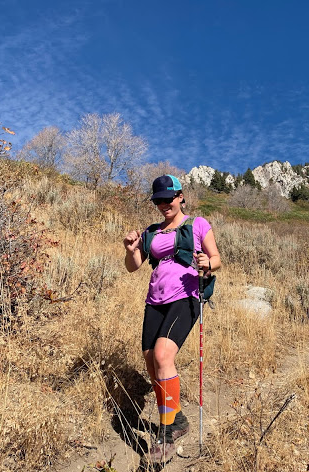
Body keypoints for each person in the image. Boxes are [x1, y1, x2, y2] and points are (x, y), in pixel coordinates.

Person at [123, 174, 221, 464]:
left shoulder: (198, 224)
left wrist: (207, 262)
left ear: (180, 196)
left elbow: (216, 258)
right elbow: (133, 267)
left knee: (164, 356)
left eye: (169, 198)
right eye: (158, 200)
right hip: (155, 300)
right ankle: (177, 419)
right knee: (151, 360)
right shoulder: (151, 232)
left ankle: (165, 436)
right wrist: (130, 250)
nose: (164, 204)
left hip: (186, 297)